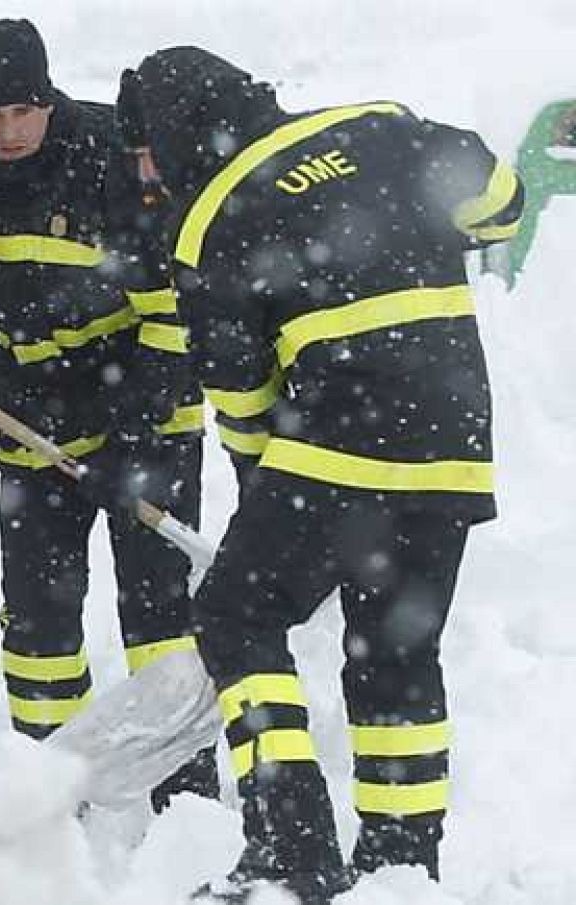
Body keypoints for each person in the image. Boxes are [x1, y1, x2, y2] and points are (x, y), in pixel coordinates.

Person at [116, 47, 523, 903]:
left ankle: (288, 850)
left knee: (235, 613)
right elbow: (500, 202)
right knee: (397, 652)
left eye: (148, 150)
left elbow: (243, 398)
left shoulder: (211, 219)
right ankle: (403, 866)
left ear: (174, 135)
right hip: (452, 444)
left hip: (339, 447)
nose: (149, 174)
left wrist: (276, 501)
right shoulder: (383, 126)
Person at [0, 18, 214, 811]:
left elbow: (171, 308)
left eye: (21, 111)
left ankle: (182, 785)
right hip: (31, 408)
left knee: (159, 611)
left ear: (47, 97)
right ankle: (55, 779)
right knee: (38, 618)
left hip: (147, 400)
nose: (7, 131)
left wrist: (131, 442)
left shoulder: (110, 158)